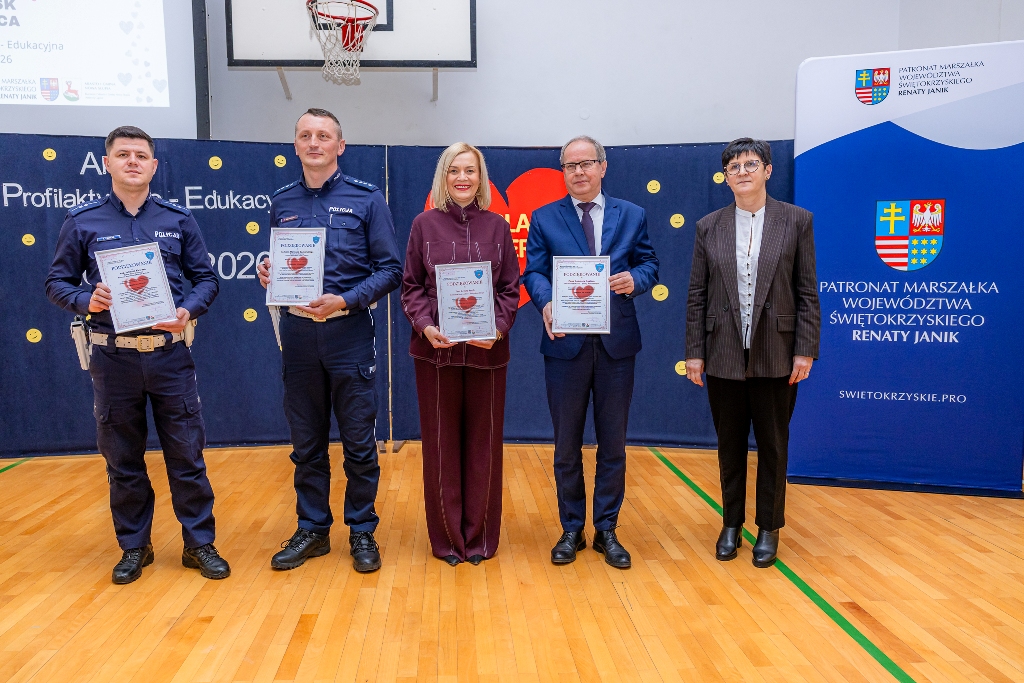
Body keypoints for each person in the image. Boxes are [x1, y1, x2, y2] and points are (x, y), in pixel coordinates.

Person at [44, 126, 229, 584]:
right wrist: (86, 300)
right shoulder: (82, 221)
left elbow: (207, 279)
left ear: (153, 166)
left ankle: (199, 544)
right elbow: (56, 283)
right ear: (106, 163)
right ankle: (134, 546)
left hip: (169, 356)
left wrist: (187, 310)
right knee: (122, 460)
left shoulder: (178, 219)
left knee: (187, 455)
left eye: (141, 155)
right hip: (113, 358)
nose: (132, 161)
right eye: (123, 154)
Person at [257, 108, 402, 574]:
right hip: (298, 335)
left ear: (340, 146)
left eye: (323, 135)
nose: (314, 142)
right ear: (295, 146)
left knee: (358, 442)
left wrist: (345, 299)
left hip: (348, 333)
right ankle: (313, 530)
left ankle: (361, 530)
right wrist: (269, 272)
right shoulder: (282, 201)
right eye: (306, 135)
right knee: (306, 443)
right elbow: (282, 263)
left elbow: (391, 270)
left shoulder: (367, 199)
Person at [523, 135, 659, 569]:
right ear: (563, 172)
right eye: (570, 165)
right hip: (565, 345)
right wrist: (546, 302)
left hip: (617, 345)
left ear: (603, 167)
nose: (578, 172)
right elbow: (533, 272)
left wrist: (635, 281)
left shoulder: (632, 214)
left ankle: (607, 530)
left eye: (586, 163)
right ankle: (571, 529)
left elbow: (650, 264)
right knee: (566, 445)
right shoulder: (545, 218)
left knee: (613, 444)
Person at [684, 138, 820, 568]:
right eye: (734, 166)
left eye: (751, 164)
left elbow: (806, 291)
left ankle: (768, 527)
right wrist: (694, 352)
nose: (742, 172)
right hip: (723, 352)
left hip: (777, 353)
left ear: (767, 170)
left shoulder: (796, 220)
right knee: (729, 446)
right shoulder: (708, 226)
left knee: (774, 446)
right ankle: (731, 524)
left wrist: (805, 350)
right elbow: (697, 294)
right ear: (725, 177)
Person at [400, 143, 521, 566]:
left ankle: (481, 540)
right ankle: (449, 541)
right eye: (454, 170)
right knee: (440, 448)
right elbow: (411, 286)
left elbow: (509, 289)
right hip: (436, 354)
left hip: (488, 354)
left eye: (470, 170)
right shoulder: (423, 224)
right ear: (443, 177)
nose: (463, 178)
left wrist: (498, 328)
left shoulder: (497, 227)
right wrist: (426, 326)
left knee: (484, 447)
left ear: (481, 177)